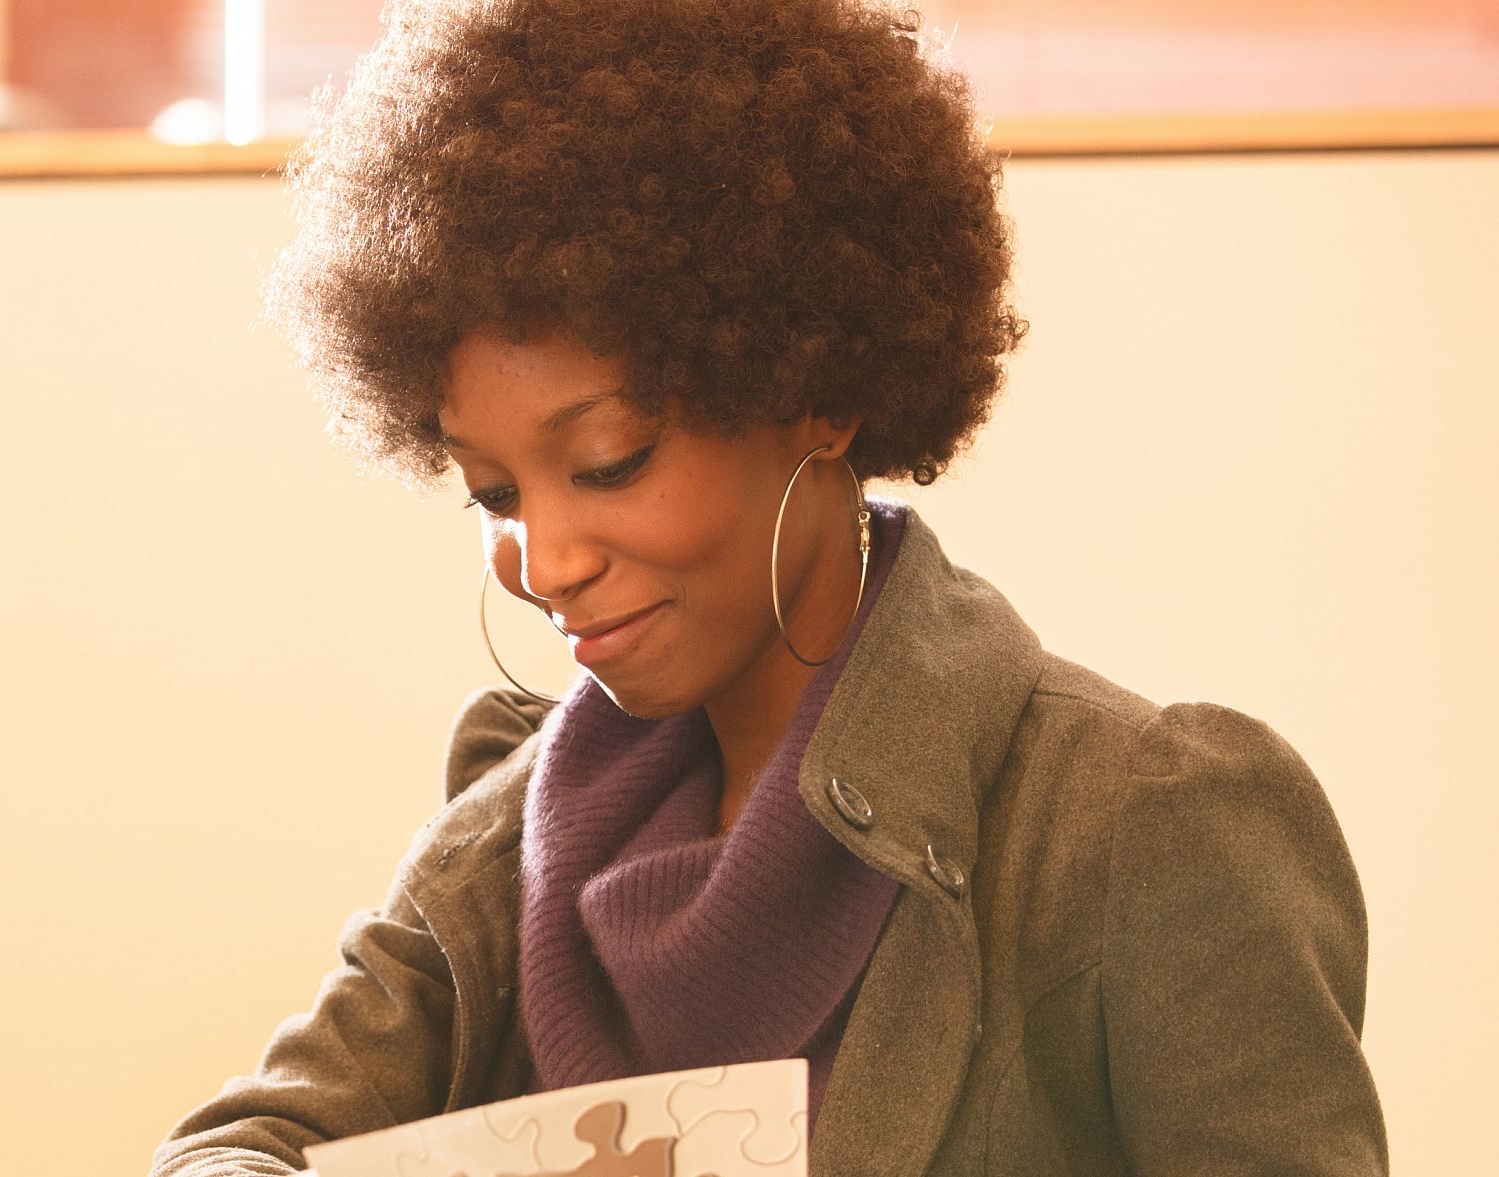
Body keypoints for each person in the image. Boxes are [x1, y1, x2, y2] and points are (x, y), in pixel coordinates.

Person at [154, 0, 1386, 1174]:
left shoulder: (1140, 826)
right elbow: (230, 1149)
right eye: (493, 493)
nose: (546, 559)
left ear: (820, 394)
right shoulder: (504, 841)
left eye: (608, 462)